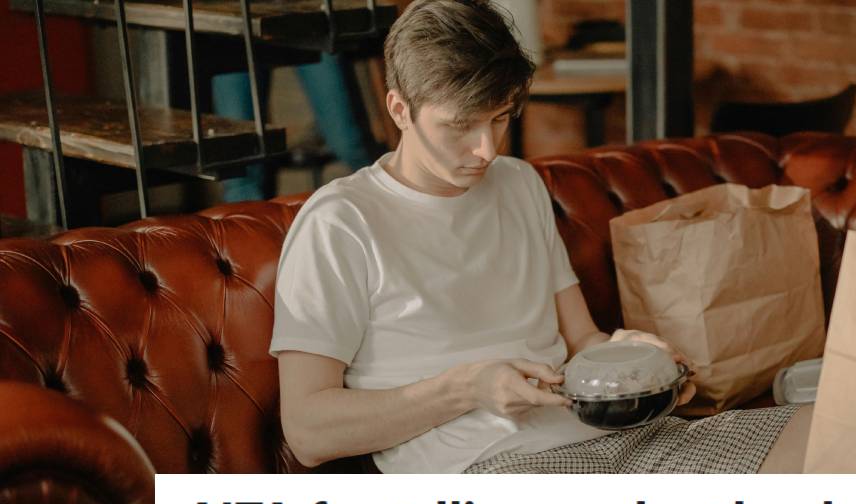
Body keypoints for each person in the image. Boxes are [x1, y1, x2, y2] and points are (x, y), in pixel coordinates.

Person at [270, 0, 812, 474]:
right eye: (460, 126)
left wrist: (636, 366)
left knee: (842, 431)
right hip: (490, 467)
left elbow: (584, 342)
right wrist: (469, 387)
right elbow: (308, 432)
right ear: (399, 110)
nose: (487, 149)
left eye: (501, 118)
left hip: (620, 440)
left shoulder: (520, 183)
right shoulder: (341, 223)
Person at [212, 53, 375, 202]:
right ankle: (257, 232)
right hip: (235, 32)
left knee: (349, 143)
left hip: (309, 26)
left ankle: (387, 212)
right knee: (240, 172)